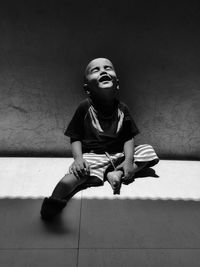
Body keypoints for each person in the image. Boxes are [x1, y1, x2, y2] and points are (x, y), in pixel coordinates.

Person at [40, 58, 159, 220]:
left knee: (148, 151)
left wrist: (129, 161)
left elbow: (128, 137)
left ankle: (116, 173)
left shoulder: (123, 109)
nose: (103, 71)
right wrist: (78, 159)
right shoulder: (84, 107)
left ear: (117, 83)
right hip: (93, 156)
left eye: (107, 68)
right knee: (76, 174)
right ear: (87, 88)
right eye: (95, 70)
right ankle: (55, 200)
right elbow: (75, 137)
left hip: (119, 155)